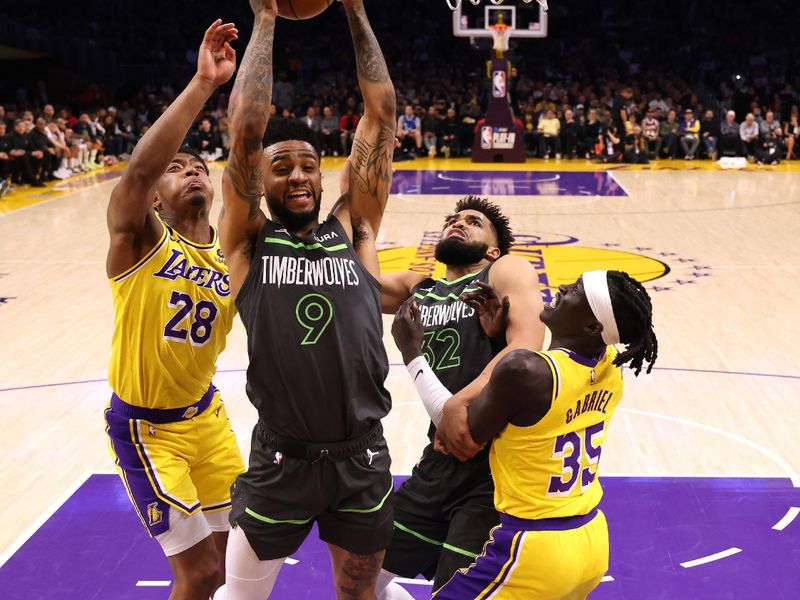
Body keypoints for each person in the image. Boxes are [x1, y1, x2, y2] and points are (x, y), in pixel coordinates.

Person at [215, 0, 397, 597]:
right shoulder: (247, 241)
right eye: (282, 167)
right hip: (282, 460)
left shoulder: (355, 229)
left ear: (324, 177)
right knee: (241, 595)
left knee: (359, 590)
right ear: (260, 183)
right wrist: (265, 19)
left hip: (361, 455)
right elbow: (244, 132)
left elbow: (382, 111)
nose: (297, 176)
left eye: (309, 166)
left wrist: (355, 11)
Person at [391, 270, 658, 598]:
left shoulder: (525, 371)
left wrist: (412, 353)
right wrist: (498, 339)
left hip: (534, 547)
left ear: (593, 327)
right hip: (590, 538)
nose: (562, 286)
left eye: (575, 291)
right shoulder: (609, 366)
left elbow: (457, 436)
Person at [103, 21, 244, 600]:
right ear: (155, 193)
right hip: (147, 430)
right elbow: (137, 171)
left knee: (234, 559)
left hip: (207, 419)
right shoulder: (139, 240)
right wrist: (203, 86)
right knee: (201, 574)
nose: (190, 172)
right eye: (177, 167)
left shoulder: (232, 252)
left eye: (199, 168)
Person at [375, 197, 544, 598]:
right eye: (453, 219)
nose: (458, 223)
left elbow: (527, 348)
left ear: (493, 249)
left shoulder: (504, 270)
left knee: (454, 591)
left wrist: (459, 403)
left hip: (490, 471)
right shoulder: (421, 289)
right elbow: (349, 280)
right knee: (358, 578)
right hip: (438, 461)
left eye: (473, 221)